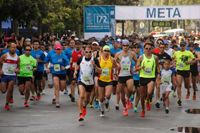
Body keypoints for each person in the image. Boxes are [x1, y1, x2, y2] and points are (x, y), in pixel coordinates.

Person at [74, 45, 102, 121]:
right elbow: (76, 64)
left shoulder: (95, 60)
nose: (88, 53)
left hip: (90, 82)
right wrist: (75, 71)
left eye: (90, 52)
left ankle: (84, 106)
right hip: (81, 80)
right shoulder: (81, 59)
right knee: (81, 95)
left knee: (87, 100)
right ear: (84, 52)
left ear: (92, 52)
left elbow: (100, 71)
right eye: (87, 52)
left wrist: (95, 66)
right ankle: (80, 114)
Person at [135, 43, 160, 117]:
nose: (148, 50)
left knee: (149, 92)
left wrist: (158, 74)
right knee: (142, 95)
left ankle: (148, 100)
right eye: (147, 48)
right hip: (143, 77)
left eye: (150, 48)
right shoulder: (141, 57)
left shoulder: (155, 57)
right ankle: (143, 110)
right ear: (144, 49)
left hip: (151, 77)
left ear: (152, 49)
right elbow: (136, 67)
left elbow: (157, 67)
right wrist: (140, 68)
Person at [115, 40, 137, 116]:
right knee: (122, 93)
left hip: (129, 74)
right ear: (122, 46)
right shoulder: (118, 54)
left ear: (128, 46)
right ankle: (125, 108)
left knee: (130, 89)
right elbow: (114, 63)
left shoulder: (132, 54)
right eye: (124, 46)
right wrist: (116, 69)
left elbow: (136, 61)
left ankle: (128, 99)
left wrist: (135, 68)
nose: (125, 47)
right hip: (121, 75)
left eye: (126, 46)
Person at [172, 41, 195, 106]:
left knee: (186, 86)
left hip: (186, 70)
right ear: (180, 46)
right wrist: (174, 61)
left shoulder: (188, 53)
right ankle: (179, 99)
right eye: (181, 46)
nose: (182, 47)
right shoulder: (176, 53)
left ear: (185, 46)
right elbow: (173, 58)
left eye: (183, 46)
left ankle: (188, 88)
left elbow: (194, 60)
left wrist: (190, 62)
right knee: (179, 84)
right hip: (179, 70)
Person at [98, 45, 117, 117]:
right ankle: (102, 110)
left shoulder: (112, 59)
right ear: (102, 51)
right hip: (101, 80)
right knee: (101, 98)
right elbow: (95, 67)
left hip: (109, 80)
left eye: (108, 51)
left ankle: (107, 102)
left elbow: (116, 66)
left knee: (108, 95)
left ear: (109, 52)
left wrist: (115, 73)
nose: (106, 52)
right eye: (105, 50)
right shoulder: (99, 59)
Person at [0, 43, 20, 110]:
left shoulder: (17, 57)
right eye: (12, 47)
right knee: (3, 90)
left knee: (10, 88)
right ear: (9, 48)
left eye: (14, 47)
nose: (13, 49)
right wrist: (0, 70)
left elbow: (18, 66)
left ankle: (7, 103)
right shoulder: (5, 55)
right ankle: (9, 96)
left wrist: (17, 70)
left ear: (16, 49)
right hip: (5, 74)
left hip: (12, 75)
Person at [154, 42, 173, 108]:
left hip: (166, 73)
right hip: (158, 72)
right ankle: (157, 101)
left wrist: (168, 67)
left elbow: (172, 63)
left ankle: (163, 98)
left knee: (163, 88)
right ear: (158, 48)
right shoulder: (155, 56)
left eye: (163, 48)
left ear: (165, 48)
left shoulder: (167, 55)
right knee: (158, 86)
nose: (162, 49)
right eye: (160, 47)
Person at [132, 42, 142, 112]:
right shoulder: (131, 55)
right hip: (132, 76)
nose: (136, 49)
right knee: (132, 90)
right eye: (135, 47)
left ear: (140, 48)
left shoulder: (142, 56)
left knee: (139, 91)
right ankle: (132, 94)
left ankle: (135, 106)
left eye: (138, 47)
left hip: (139, 76)